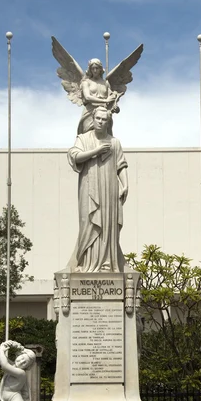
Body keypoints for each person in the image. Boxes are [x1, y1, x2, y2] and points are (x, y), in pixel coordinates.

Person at [67, 106, 128, 273]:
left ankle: (106, 264)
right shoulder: (83, 138)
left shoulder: (114, 142)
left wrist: (125, 184)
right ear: (93, 120)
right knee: (88, 223)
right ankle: (86, 264)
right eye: (98, 119)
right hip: (89, 187)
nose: (101, 122)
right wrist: (96, 151)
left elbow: (121, 165)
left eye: (104, 120)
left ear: (108, 122)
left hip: (109, 188)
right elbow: (74, 156)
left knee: (108, 224)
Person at [77, 59, 118, 135]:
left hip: (104, 112)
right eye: (93, 68)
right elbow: (87, 97)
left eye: (97, 68)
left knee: (106, 136)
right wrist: (105, 101)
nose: (95, 70)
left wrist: (115, 106)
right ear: (90, 70)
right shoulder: (86, 82)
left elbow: (111, 98)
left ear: (100, 69)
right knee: (87, 135)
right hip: (90, 111)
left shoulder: (106, 83)